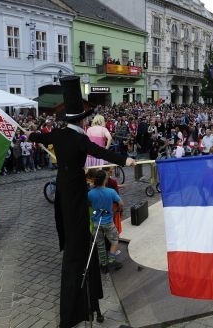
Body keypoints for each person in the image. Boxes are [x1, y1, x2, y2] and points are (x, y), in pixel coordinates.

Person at [27, 76, 136, 328]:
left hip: (63, 191)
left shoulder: (58, 133)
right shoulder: (78, 138)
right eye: (85, 118)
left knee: (74, 229)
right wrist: (125, 160)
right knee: (78, 233)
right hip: (75, 190)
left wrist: (32, 136)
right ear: (82, 121)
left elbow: (40, 137)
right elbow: (101, 152)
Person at [88, 169, 123, 273]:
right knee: (115, 240)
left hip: (96, 222)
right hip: (108, 222)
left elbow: (88, 204)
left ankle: (104, 264)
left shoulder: (90, 193)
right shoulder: (110, 192)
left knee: (100, 244)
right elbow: (121, 203)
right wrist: (117, 210)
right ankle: (111, 260)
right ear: (105, 180)